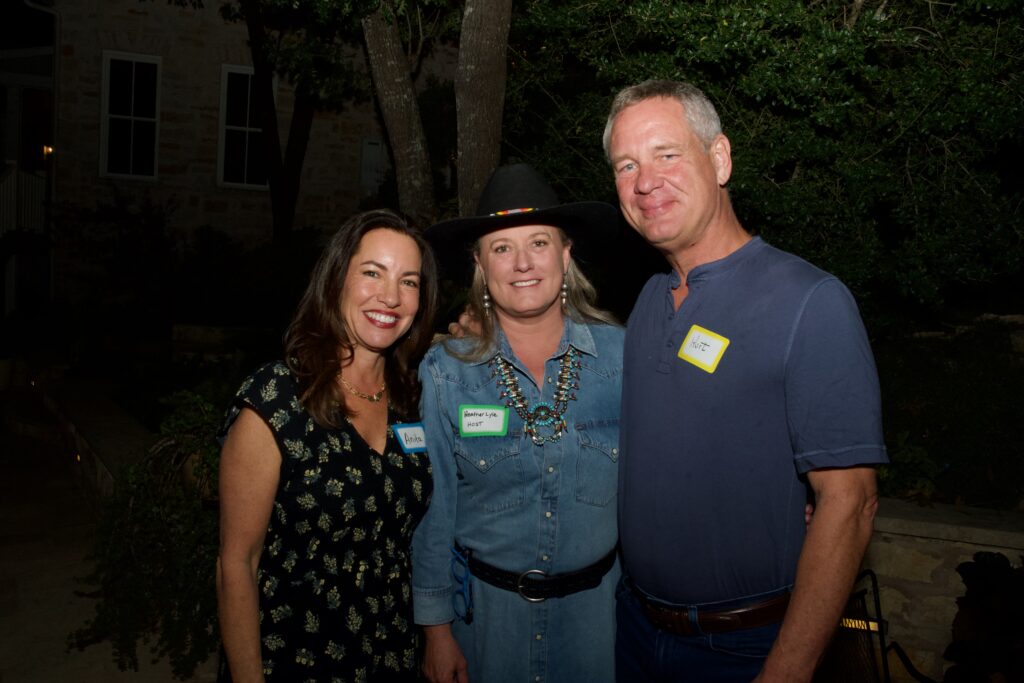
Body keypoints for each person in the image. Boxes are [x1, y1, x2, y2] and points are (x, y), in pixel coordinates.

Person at [605, 79, 888, 682]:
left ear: (721, 158)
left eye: (667, 154)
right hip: (632, 631)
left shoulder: (810, 301)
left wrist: (787, 668)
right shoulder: (650, 300)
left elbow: (851, 501)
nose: (645, 181)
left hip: (747, 649)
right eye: (626, 164)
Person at [411, 163, 624, 683]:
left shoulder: (623, 357)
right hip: (484, 625)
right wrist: (436, 630)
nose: (522, 263)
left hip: (597, 625)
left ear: (566, 253)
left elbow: (674, 467)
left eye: (539, 243)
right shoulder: (447, 372)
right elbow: (433, 512)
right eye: (502, 248)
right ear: (481, 265)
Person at [216, 209, 438, 682]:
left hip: (392, 657)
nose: (391, 297)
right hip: (295, 657)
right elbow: (237, 563)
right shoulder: (277, 399)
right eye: (372, 273)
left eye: (409, 281)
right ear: (337, 278)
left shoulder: (413, 400)